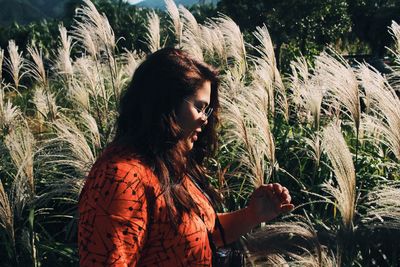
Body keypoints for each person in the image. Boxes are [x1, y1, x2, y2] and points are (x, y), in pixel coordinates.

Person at [78, 48, 294, 266]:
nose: (205, 120)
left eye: (207, 110)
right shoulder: (120, 179)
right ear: (164, 103)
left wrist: (252, 215)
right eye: (200, 107)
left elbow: (198, 236)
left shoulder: (165, 165)